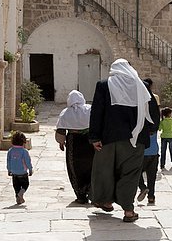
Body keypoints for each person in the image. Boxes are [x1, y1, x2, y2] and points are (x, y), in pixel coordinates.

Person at [89, 59, 160, 223]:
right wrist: (150, 130)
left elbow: (97, 112)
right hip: (135, 140)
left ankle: (106, 201)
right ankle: (128, 211)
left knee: (105, 170)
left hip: (108, 139)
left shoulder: (104, 85)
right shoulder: (141, 86)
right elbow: (153, 111)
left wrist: (94, 137)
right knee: (130, 174)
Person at [55, 90, 93, 204]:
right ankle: (91, 191)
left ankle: (80, 195)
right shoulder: (89, 109)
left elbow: (61, 130)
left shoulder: (66, 112)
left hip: (73, 142)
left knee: (74, 168)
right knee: (91, 166)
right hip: (89, 142)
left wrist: (61, 143)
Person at [7, 131, 33, 204]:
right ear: (23, 142)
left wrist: (9, 170)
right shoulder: (24, 151)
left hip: (14, 173)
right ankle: (21, 194)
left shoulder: (10, 151)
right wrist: (30, 169)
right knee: (25, 184)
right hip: (23, 172)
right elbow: (28, 161)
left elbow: (8, 161)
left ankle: (18, 199)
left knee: (16, 187)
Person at [137, 132, 159, 205]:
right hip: (154, 151)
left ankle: (142, 187)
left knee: (137, 172)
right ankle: (151, 197)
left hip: (142, 152)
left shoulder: (140, 123)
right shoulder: (155, 123)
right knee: (152, 177)